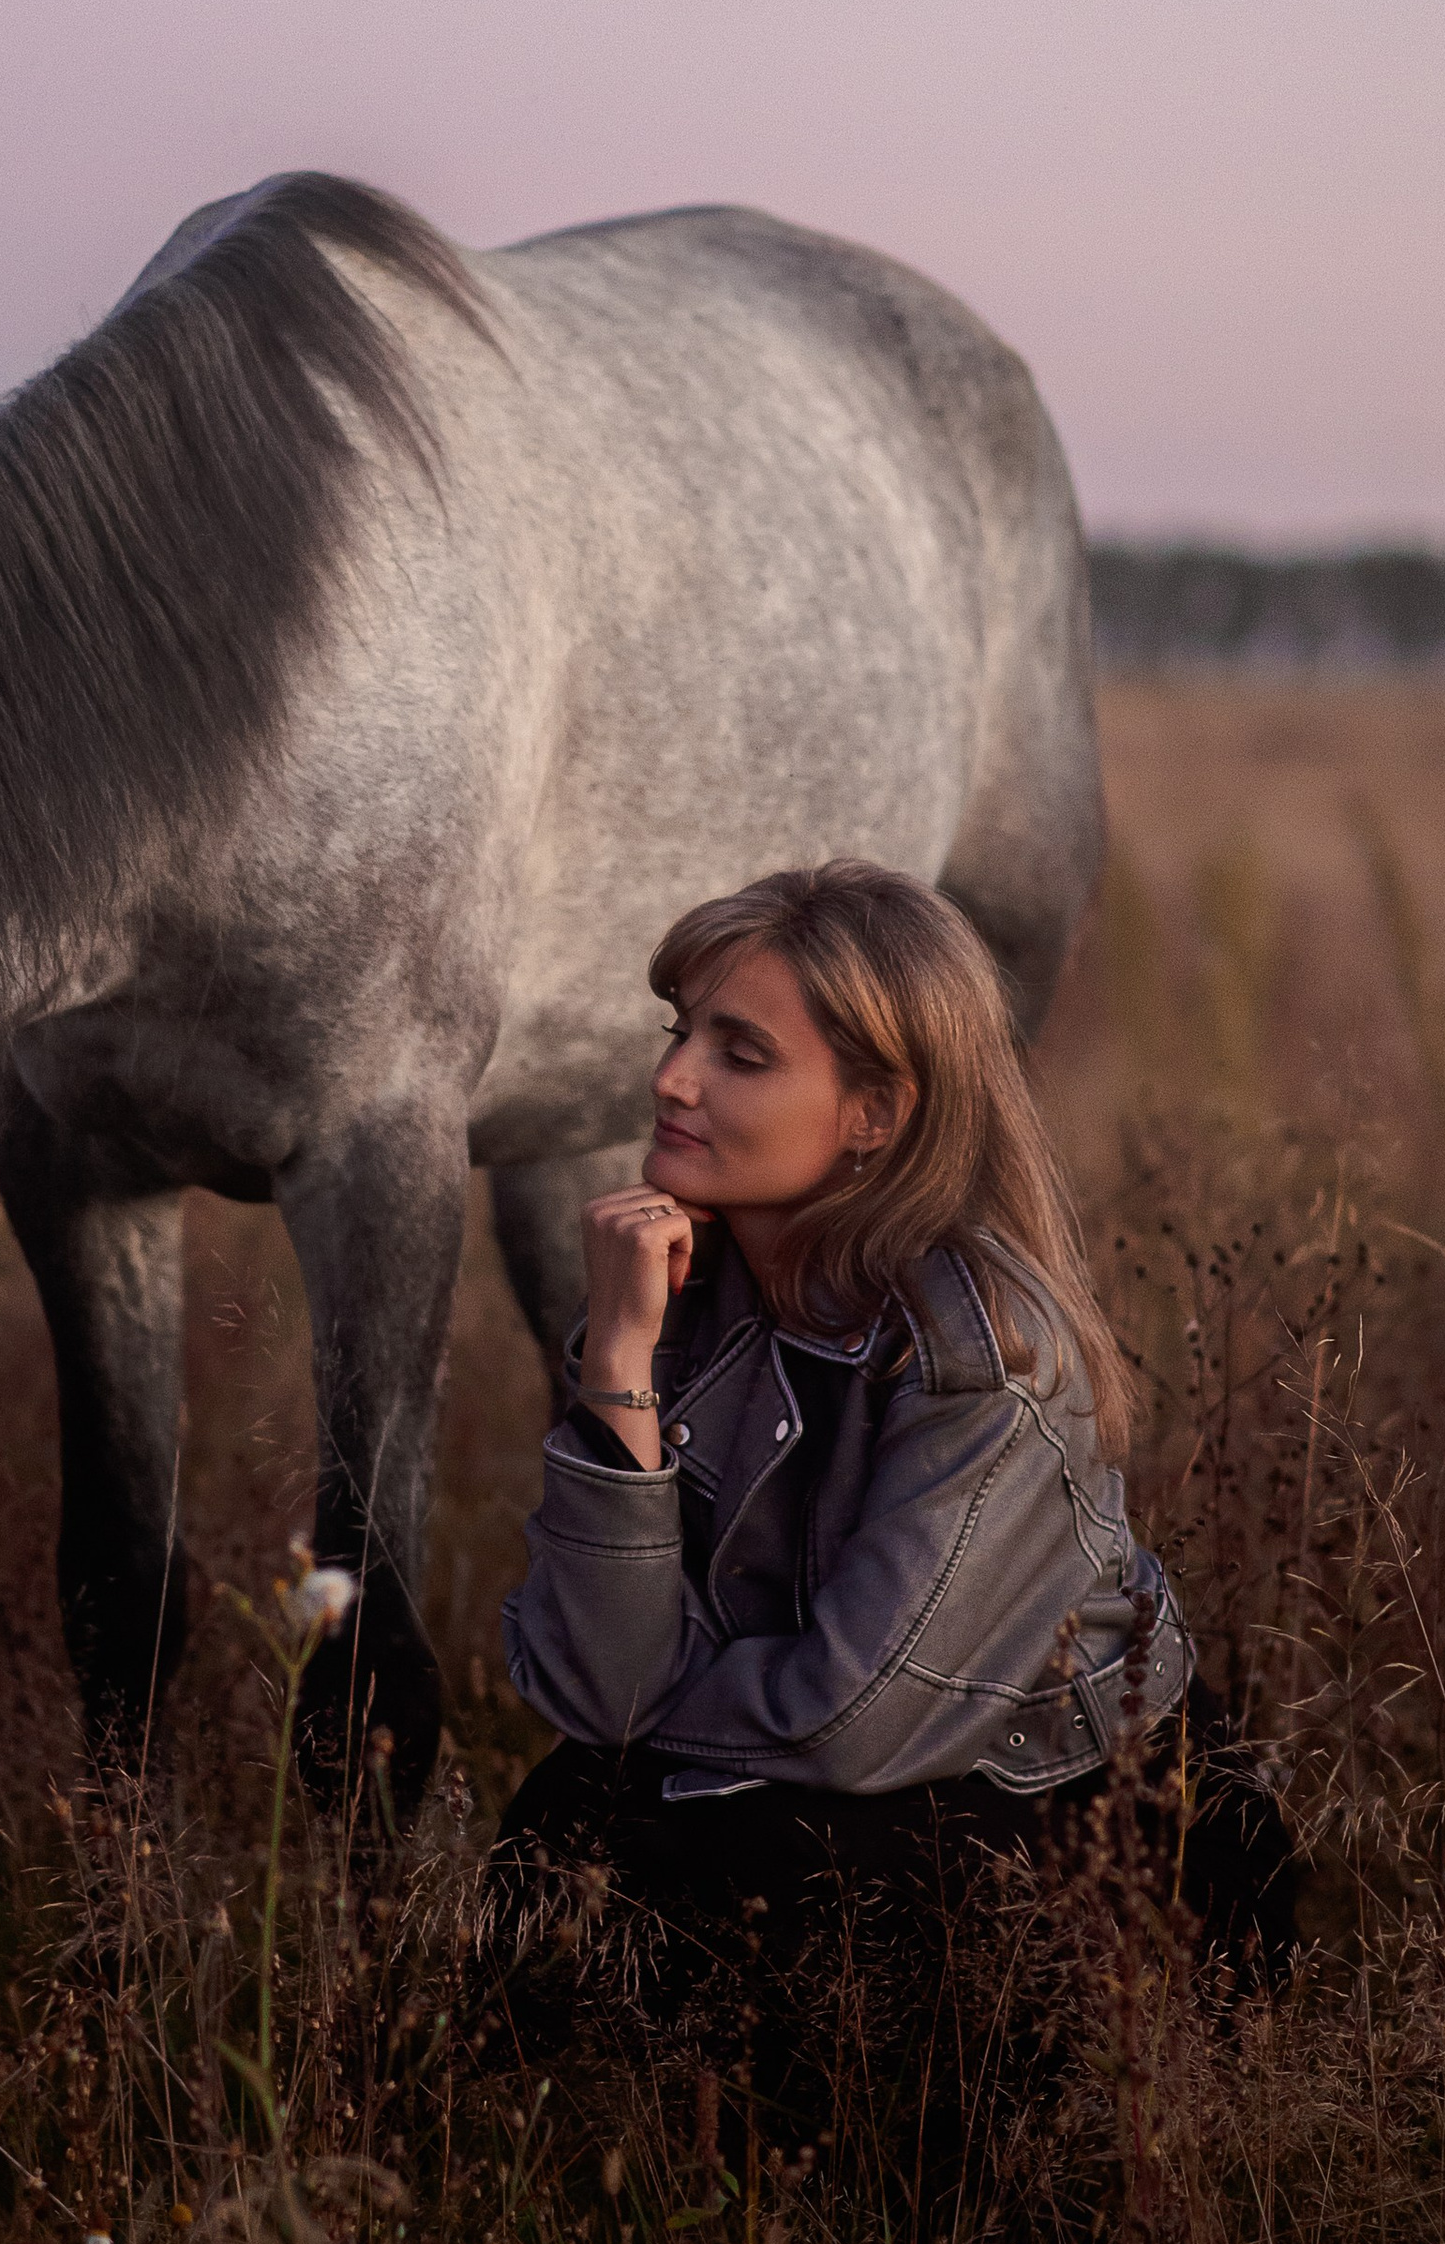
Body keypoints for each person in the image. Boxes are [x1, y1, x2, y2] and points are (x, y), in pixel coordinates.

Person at [493, 864, 1295, 2138]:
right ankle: (556, 2199)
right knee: (552, 1836)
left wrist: (652, 1713)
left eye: (738, 1052)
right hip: (844, 1779)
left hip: (1084, 1820)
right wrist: (615, 1374)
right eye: (678, 1032)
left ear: (873, 1112)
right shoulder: (667, 1301)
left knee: (771, 1861)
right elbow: (588, 1693)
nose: (672, 1079)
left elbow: (860, 1721)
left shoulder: (985, 1356)